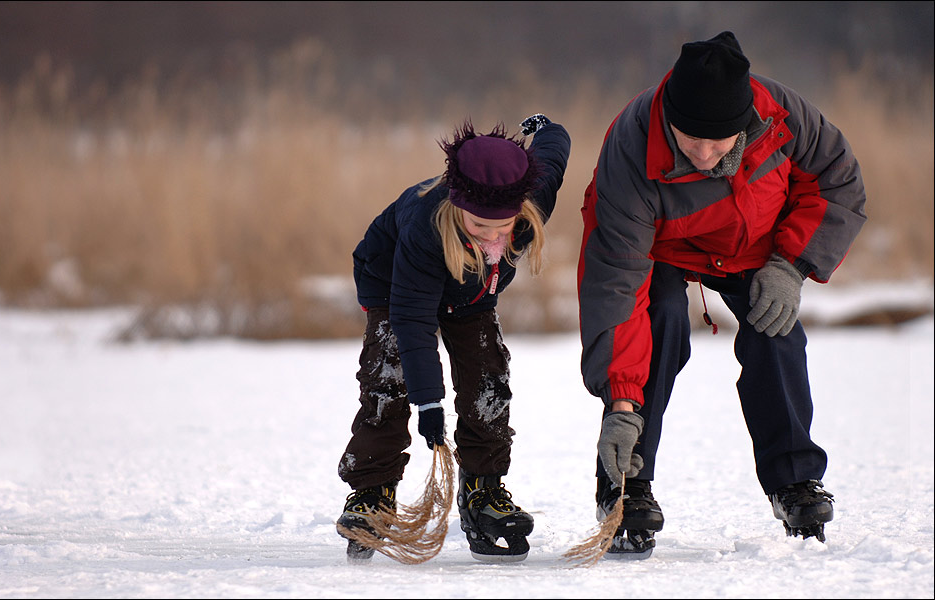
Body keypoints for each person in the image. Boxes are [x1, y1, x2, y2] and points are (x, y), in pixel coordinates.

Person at [578, 31, 866, 557]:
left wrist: (792, 264)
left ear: (745, 123)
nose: (707, 155)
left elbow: (837, 180)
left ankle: (794, 481)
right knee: (660, 318)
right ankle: (625, 487)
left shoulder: (782, 114)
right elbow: (615, 285)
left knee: (773, 328)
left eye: (721, 142)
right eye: (692, 140)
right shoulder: (631, 147)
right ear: (670, 118)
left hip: (755, 246)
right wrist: (620, 399)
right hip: (659, 249)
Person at [336, 114, 571, 562]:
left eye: (503, 227)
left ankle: (484, 489)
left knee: (489, 380)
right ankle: (372, 492)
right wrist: (428, 401)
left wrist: (545, 128)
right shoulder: (426, 226)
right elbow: (413, 320)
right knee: (391, 377)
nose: (492, 236)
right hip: (394, 287)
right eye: (479, 227)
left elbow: (554, 154)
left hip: (471, 293)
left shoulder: (531, 197)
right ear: (458, 206)